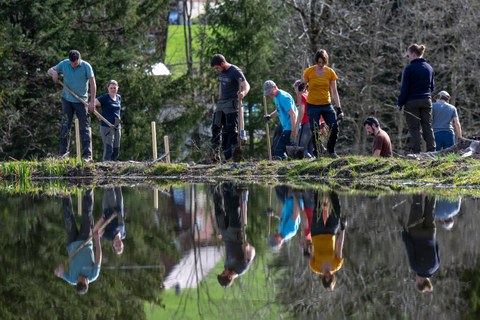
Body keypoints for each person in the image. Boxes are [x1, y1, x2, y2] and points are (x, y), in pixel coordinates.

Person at [48, 50, 96, 161]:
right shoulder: (65, 63)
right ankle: (63, 155)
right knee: (65, 126)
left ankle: (87, 156)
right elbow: (49, 70)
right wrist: (53, 72)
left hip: (81, 102)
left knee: (84, 128)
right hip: (67, 100)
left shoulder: (86, 66)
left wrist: (92, 101)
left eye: (75, 62)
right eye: (72, 63)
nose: (73, 64)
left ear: (79, 59)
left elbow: (93, 84)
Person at [54, 189, 102, 294]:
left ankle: (65, 191)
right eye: (83, 278)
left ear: (77, 282)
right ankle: (89, 187)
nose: (81, 276)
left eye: (79, 278)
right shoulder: (93, 275)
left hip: (72, 243)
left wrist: (59, 270)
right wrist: (97, 240)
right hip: (86, 240)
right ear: (87, 283)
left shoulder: (72, 280)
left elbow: (57, 273)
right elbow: (98, 257)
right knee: (87, 214)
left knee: (68, 217)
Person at [302, 49, 343, 158]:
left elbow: (334, 91)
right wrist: (302, 86)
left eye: (322, 62)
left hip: (326, 104)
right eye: (318, 62)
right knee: (315, 130)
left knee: (334, 126)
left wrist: (339, 108)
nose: (320, 65)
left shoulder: (330, 73)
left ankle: (331, 150)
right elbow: (303, 87)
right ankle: (318, 153)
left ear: (325, 62)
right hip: (312, 105)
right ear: (316, 61)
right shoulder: (309, 72)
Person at [210, 54, 250, 162]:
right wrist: (219, 97)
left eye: (217, 67)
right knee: (215, 127)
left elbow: (246, 85)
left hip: (232, 103)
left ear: (223, 64)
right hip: (221, 103)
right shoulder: (221, 72)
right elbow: (221, 85)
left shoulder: (235, 71)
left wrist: (243, 93)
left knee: (231, 130)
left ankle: (236, 157)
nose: (217, 70)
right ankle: (214, 155)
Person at [214, 182, 255, 287]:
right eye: (224, 273)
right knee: (233, 208)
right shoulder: (241, 268)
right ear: (229, 277)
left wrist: (222, 238)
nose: (223, 270)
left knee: (219, 211)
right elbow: (253, 253)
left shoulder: (226, 265)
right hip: (236, 234)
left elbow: (229, 250)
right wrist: (248, 247)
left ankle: (218, 187)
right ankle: (233, 185)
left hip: (226, 236)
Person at [397, 44, 436, 153]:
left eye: (408, 55)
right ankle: (432, 150)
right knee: (427, 125)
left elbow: (405, 89)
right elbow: (432, 87)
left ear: (413, 54)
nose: (407, 57)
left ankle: (416, 152)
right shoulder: (429, 68)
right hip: (427, 100)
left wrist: (400, 103)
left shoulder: (409, 69)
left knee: (414, 128)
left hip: (412, 101)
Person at [401, 194, 439, 292]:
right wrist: (404, 234)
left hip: (430, 234)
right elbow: (409, 247)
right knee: (416, 208)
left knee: (430, 211)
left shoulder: (436, 266)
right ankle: (417, 191)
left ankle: (433, 191)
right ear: (420, 281)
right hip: (416, 233)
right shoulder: (415, 267)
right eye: (416, 281)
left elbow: (437, 247)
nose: (415, 279)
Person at [309, 191, 346, 291]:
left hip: (316, 233)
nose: (327, 275)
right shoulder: (337, 265)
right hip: (330, 233)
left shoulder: (315, 267)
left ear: (323, 279)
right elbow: (339, 246)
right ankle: (332, 190)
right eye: (329, 277)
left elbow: (310, 253)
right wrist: (343, 229)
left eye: (325, 278)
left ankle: (317, 188)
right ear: (332, 277)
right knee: (336, 212)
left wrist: (306, 249)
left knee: (318, 209)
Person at [263, 80, 298, 159]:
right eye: (268, 93)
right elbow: (279, 110)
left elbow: (293, 114)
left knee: (278, 150)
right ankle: (288, 161)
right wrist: (270, 116)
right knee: (280, 148)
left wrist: (294, 130)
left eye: (270, 92)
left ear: (275, 87)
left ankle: (283, 165)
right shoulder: (276, 96)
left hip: (290, 126)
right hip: (285, 126)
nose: (270, 94)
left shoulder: (283, 97)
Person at [293, 80, 326, 158]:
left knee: (302, 148)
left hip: (307, 123)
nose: (294, 90)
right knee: (310, 149)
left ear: (298, 88)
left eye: (295, 88)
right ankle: (312, 163)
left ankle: (303, 165)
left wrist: (297, 123)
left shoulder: (302, 96)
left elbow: (302, 111)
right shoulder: (310, 95)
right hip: (314, 123)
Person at [268, 186, 303, 252]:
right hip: (294, 201)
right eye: (274, 237)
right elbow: (296, 214)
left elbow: (282, 218)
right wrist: (295, 196)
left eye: (273, 235)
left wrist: (273, 213)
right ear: (279, 242)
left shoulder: (280, 232)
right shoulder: (289, 232)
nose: (273, 234)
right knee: (279, 184)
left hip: (287, 201)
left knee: (277, 186)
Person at [94, 80, 122, 161]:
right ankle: (106, 165)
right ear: (108, 88)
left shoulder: (118, 97)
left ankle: (113, 164)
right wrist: (98, 115)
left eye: (114, 87)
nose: (113, 89)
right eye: (111, 88)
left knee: (116, 149)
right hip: (107, 125)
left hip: (117, 125)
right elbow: (92, 104)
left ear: (117, 88)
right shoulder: (105, 97)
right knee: (109, 147)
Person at [93, 187, 125, 255]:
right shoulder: (123, 234)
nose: (118, 244)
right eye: (120, 246)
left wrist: (103, 218)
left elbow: (98, 232)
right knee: (118, 187)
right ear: (123, 245)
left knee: (110, 188)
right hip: (120, 208)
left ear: (113, 245)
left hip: (109, 209)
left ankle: (108, 177)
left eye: (116, 246)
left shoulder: (109, 236)